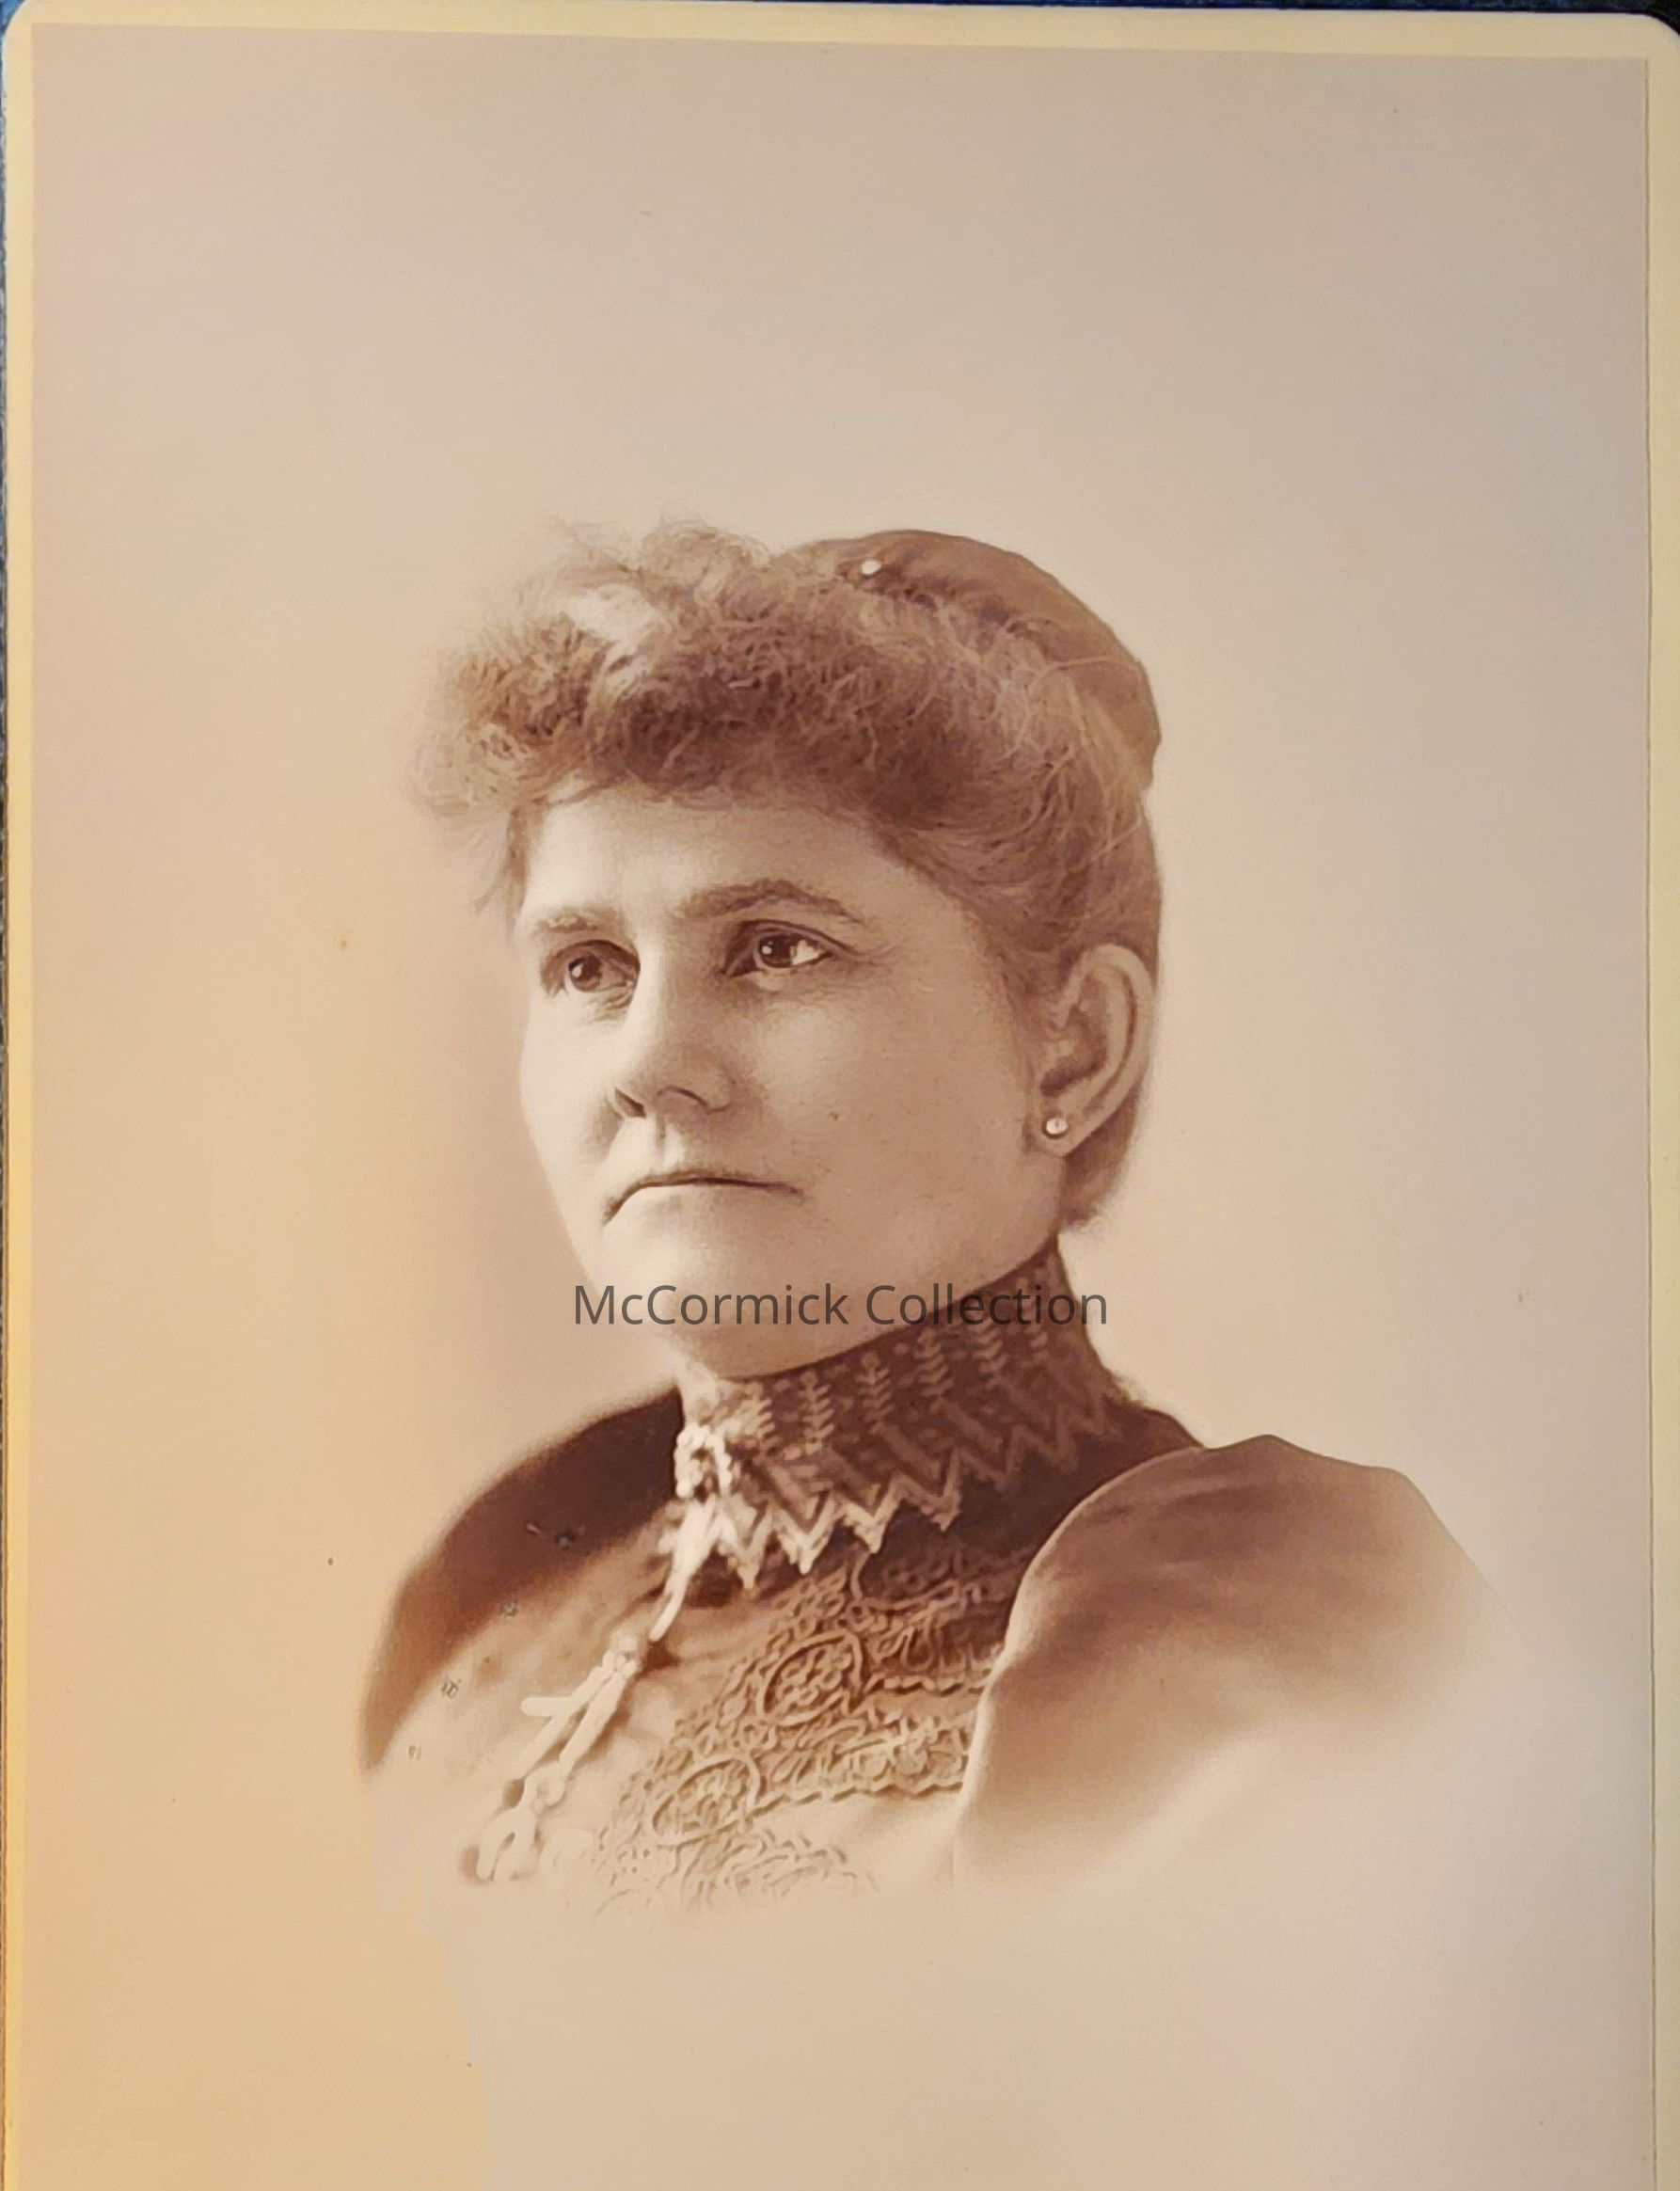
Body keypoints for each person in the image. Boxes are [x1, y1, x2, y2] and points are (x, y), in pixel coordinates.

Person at [362, 519, 1491, 1927]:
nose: (647, 1063)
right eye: (588, 966)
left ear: (1072, 1048)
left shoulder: (1245, 1643)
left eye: (777, 949)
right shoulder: (495, 1601)